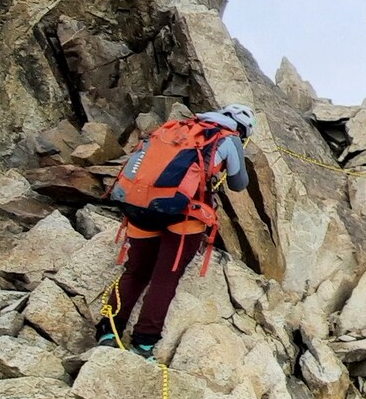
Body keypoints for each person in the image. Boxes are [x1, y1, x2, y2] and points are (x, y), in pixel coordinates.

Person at [100, 103, 255, 357]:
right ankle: (143, 343)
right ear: (242, 128)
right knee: (165, 278)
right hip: (185, 215)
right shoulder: (229, 138)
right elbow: (239, 183)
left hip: (141, 205)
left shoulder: (176, 128)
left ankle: (108, 331)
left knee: (135, 272)